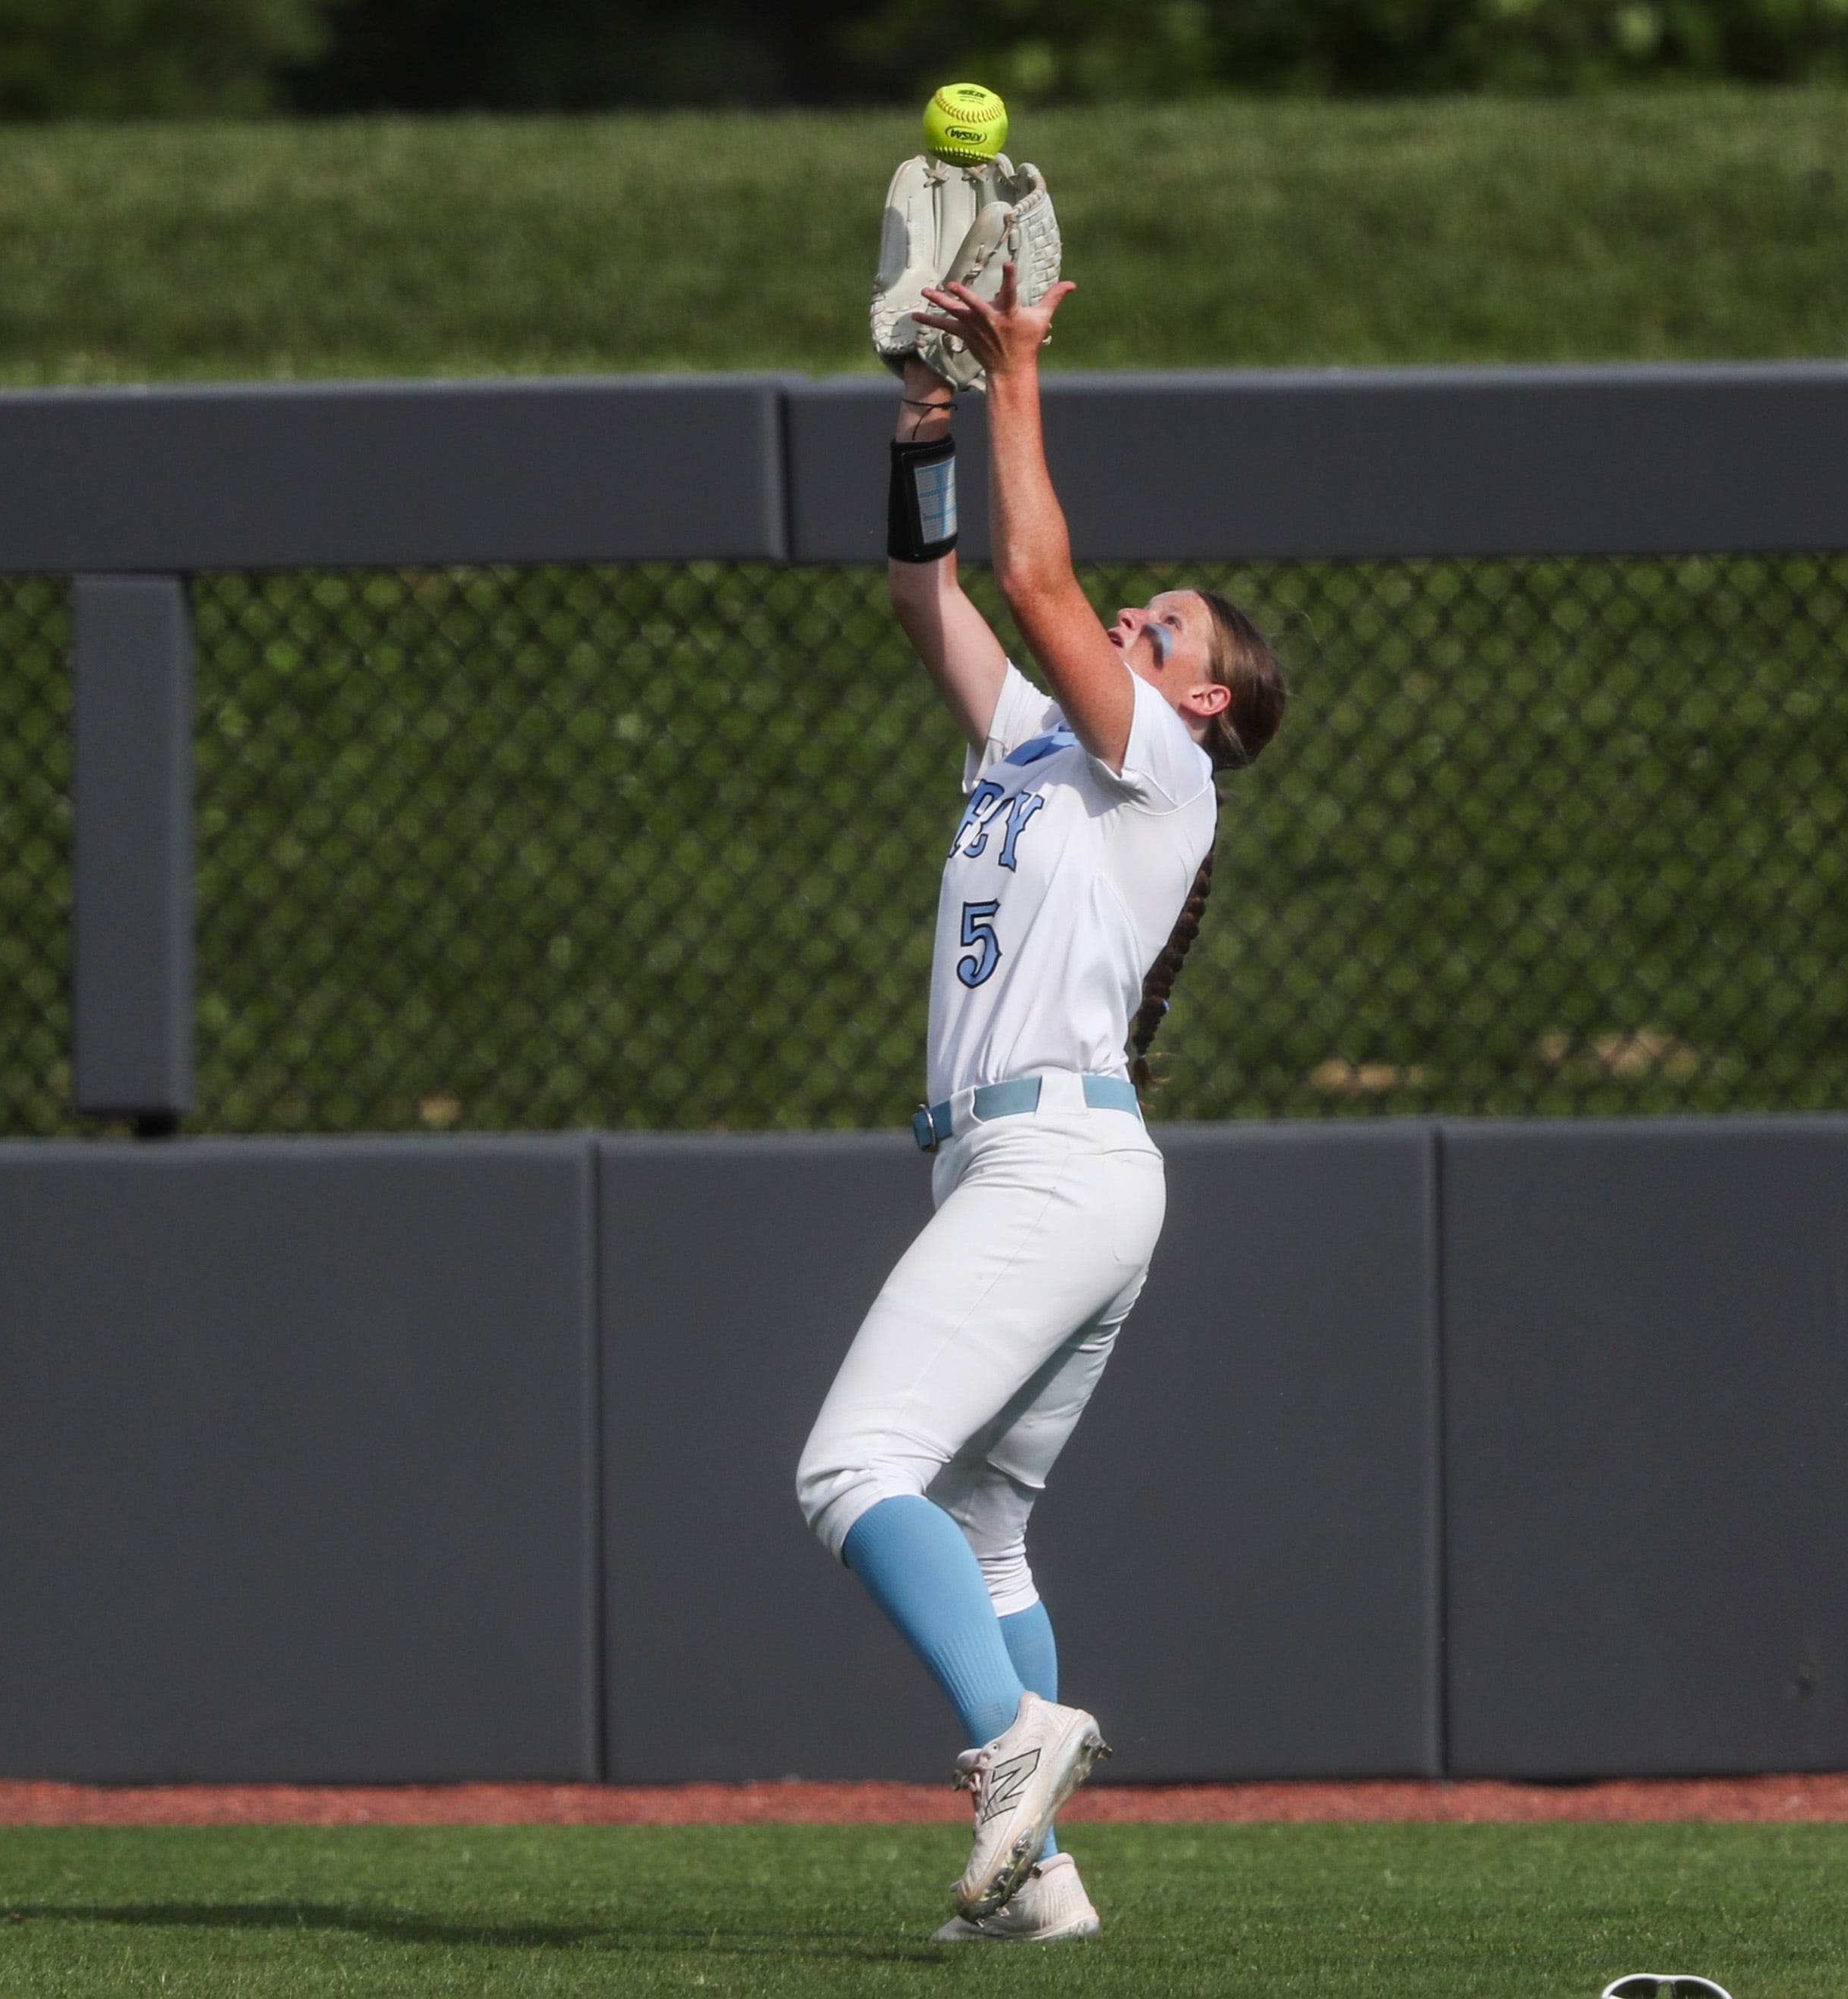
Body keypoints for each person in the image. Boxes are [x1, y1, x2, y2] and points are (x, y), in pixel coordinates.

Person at [794, 262, 1288, 1944]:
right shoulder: (1026, 742)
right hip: (1038, 1165)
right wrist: (924, 424)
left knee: (851, 1468)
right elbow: (926, 584)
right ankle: (1041, 1889)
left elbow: (1029, 568)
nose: (1128, 627)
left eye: (1165, 632)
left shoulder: (1161, 767)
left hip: (1056, 1156)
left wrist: (1016, 366)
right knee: (987, 1538)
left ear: (1202, 702)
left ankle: (1015, 1740)